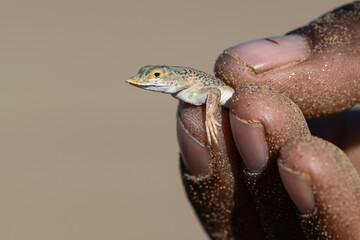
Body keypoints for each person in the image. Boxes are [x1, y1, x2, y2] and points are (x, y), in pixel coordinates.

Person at [177, 2, 360, 239]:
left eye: (158, 76)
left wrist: (210, 116)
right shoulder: (188, 91)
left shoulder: (196, 89)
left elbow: (212, 93)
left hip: (256, 98)